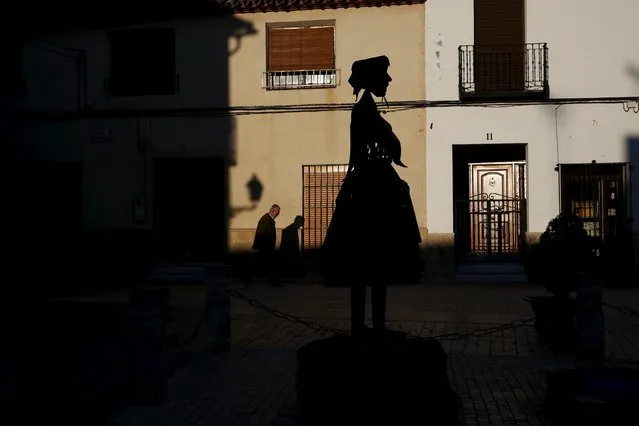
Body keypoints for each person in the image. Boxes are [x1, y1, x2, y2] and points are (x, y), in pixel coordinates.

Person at [321, 55, 424, 335]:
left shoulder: (368, 110)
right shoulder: (364, 111)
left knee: (372, 261)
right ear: (371, 79)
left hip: (373, 184)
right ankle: (365, 325)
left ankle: (371, 325)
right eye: (384, 76)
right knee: (371, 259)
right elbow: (382, 148)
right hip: (372, 188)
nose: (389, 80)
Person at [251, 204, 282, 287]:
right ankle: (274, 283)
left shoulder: (268, 219)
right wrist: (264, 248)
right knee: (272, 266)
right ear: (273, 211)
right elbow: (261, 234)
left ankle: (273, 282)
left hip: (267, 248)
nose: (278, 214)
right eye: (278, 212)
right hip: (266, 248)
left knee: (270, 266)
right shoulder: (266, 219)